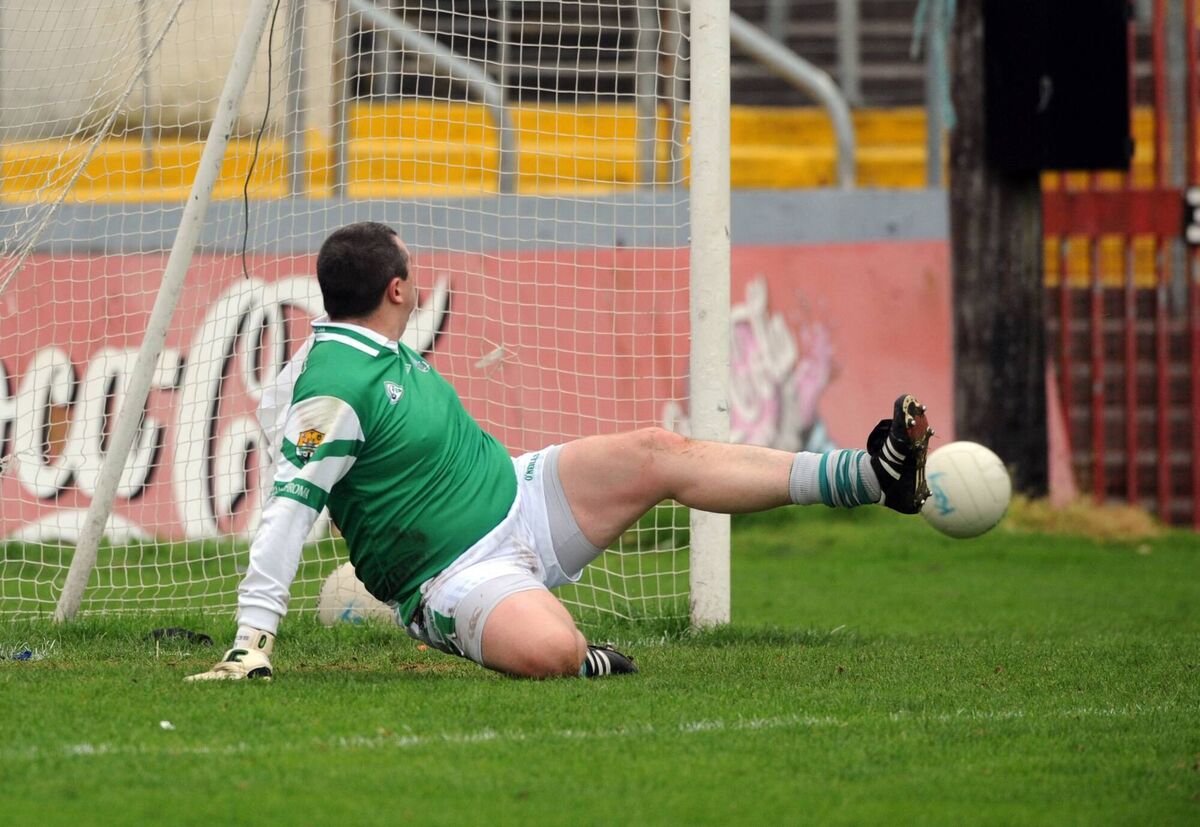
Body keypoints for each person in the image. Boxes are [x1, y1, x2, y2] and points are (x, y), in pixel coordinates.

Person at [187, 222, 934, 682]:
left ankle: (871, 474)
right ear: (398, 288)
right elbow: (289, 509)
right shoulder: (333, 387)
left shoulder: (361, 348)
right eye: (412, 267)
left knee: (657, 449)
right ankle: (573, 651)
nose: (418, 276)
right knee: (552, 652)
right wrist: (254, 637)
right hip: (451, 575)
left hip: (520, 495)